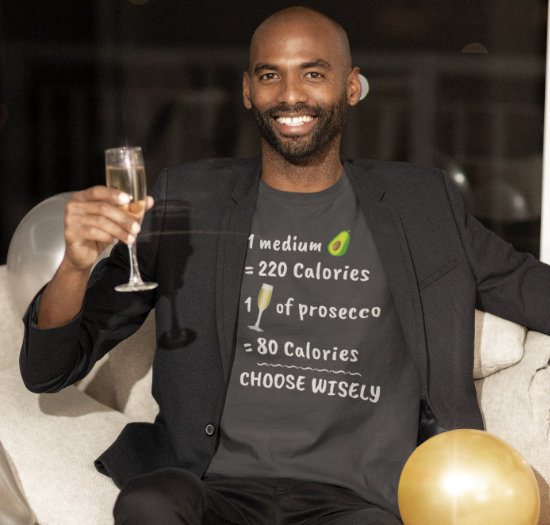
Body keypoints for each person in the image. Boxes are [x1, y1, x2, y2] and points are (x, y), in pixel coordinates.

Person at [19, 5, 550, 525]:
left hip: (356, 501)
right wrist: (75, 267)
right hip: (212, 488)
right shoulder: (189, 199)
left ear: (351, 86)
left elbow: (529, 288)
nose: (290, 95)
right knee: (149, 504)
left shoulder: (421, 206)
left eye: (313, 74)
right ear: (248, 90)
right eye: (270, 75)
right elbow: (49, 370)